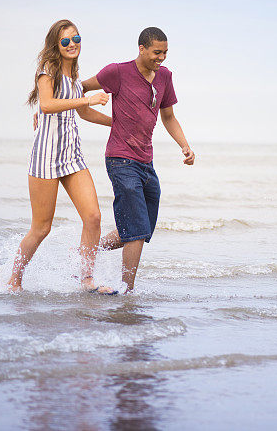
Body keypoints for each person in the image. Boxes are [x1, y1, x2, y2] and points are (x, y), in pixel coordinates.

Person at [82, 27, 195, 292]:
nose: (161, 58)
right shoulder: (117, 72)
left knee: (140, 230)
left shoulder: (165, 76)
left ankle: (86, 253)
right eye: (157, 52)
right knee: (136, 229)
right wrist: (50, 108)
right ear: (141, 48)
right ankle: (127, 292)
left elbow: (168, 116)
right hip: (121, 159)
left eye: (165, 52)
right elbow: (80, 88)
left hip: (146, 162)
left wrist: (185, 146)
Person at [8, 19, 116, 294]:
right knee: (41, 228)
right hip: (46, 156)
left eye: (76, 39)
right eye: (65, 41)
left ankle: (87, 280)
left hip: (72, 156)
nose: (72, 45)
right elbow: (46, 104)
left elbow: (83, 113)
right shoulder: (48, 71)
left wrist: (116, 123)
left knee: (93, 217)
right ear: (56, 45)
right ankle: (14, 281)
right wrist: (87, 99)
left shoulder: (75, 79)